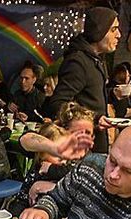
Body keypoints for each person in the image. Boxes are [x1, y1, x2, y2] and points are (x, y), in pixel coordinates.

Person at [46, 5, 120, 153]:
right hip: (82, 149)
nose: (119, 35)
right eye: (113, 30)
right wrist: (95, 118)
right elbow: (57, 103)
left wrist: (112, 94)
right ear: (98, 32)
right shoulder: (78, 61)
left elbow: (88, 96)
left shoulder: (95, 60)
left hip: (94, 145)